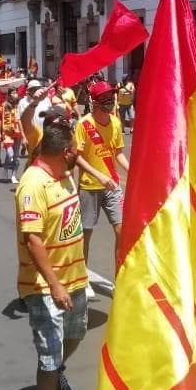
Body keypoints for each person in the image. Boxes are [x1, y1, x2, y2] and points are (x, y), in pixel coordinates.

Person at [15, 120, 87, 390]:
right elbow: (32, 240)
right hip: (46, 287)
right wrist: (55, 285)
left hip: (76, 279)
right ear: (64, 152)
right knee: (49, 355)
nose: (79, 153)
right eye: (74, 149)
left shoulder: (64, 174)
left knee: (77, 334)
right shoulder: (33, 184)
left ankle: (58, 371)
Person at [73, 80, 130, 291]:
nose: (110, 102)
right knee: (86, 232)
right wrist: (98, 174)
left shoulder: (115, 122)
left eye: (111, 97)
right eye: (104, 99)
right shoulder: (83, 125)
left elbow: (118, 153)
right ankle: (82, 277)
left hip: (112, 185)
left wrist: (131, 171)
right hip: (89, 186)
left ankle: (120, 278)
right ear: (95, 102)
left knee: (122, 230)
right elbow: (77, 158)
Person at [0, 91, 22, 184]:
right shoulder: (4, 105)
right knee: (10, 155)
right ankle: (5, 172)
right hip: (8, 131)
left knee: (16, 156)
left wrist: (23, 134)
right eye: (13, 93)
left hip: (17, 131)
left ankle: (13, 175)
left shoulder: (18, 105)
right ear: (9, 95)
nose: (15, 95)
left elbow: (20, 120)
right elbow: (1, 120)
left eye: (16, 93)